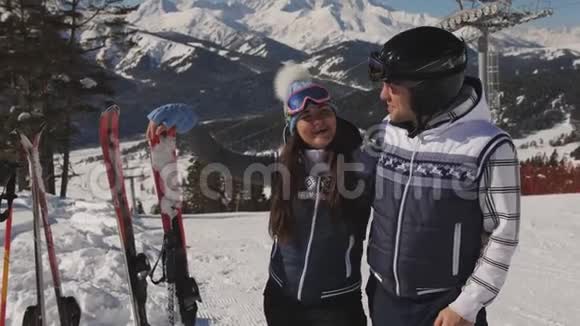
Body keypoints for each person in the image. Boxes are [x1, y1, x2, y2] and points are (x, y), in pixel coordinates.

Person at [146, 63, 374, 326]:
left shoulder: (361, 166)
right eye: (306, 117)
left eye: (324, 112)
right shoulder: (282, 168)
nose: (318, 121)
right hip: (282, 300)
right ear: (293, 127)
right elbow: (221, 159)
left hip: (336, 307)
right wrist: (191, 125)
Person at [364, 26, 521, 326]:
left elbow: (502, 235)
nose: (383, 94)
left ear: (426, 90)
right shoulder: (388, 131)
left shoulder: (488, 147)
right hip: (384, 300)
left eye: (393, 85)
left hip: (442, 310)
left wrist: (466, 306)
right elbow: (354, 183)